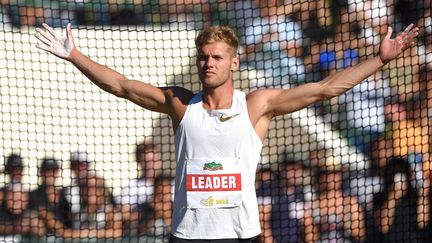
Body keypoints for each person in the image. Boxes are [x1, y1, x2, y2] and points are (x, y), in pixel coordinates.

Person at [34, 21, 419, 242]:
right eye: (203, 57)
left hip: (240, 236)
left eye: (216, 57)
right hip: (188, 236)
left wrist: (379, 60)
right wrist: (74, 55)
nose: (208, 63)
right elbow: (121, 85)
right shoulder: (180, 104)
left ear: (234, 62)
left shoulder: (257, 105)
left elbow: (325, 88)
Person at [116, 141, 162, 236]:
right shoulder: (131, 187)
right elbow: (125, 216)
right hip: (141, 236)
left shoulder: (172, 184)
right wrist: (149, 211)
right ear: (139, 161)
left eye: (154, 160)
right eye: (147, 161)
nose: (151, 165)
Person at [29, 157, 72, 236]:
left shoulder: (64, 195)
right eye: (48, 170)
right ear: (41, 172)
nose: (51, 174)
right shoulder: (34, 195)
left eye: (54, 170)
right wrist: (67, 233)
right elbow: (46, 216)